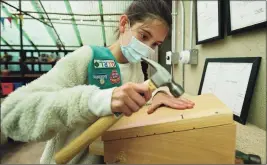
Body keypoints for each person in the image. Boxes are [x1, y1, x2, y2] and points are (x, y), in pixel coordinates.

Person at [1, 0, 195, 164]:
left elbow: (132, 103)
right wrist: (95, 101)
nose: (147, 48)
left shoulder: (137, 68)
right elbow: (11, 114)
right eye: (144, 36)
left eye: (155, 44)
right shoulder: (86, 57)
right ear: (124, 25)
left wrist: (155, 94)